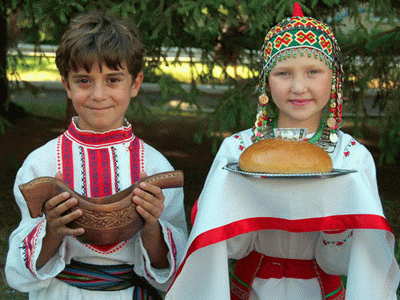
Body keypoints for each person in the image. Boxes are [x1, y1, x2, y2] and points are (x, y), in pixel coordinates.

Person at [165, 3, 399, 300]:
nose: (299, 87)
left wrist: (336, 223)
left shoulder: (351, 157)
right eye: (283, 73)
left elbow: (344, 262)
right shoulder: (238, 150)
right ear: (266, 80)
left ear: (334, 79)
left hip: (319, 290)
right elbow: (229, 248)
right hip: (253, 288)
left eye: (314, 71)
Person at [5, 10, 187, 300]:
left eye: (113, 80)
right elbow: (20, 273)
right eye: (84, 81)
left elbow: (173, 271)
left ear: (136, 84)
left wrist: (151, 226)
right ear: (66, 85)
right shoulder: (41, 164)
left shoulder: (155, 167)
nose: (98, 94)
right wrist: (52, 229)